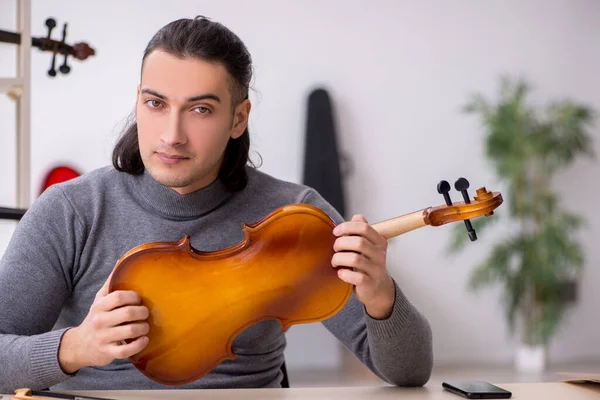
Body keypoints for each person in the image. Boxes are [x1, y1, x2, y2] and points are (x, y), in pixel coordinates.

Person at [0, 16, 433, 392]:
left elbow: (410, 374)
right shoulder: (70, 210)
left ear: (238, 118)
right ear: (138, 101)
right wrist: (74, 347)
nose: (172, 134)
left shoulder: (295, 216)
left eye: (200, 110)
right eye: (156, 103)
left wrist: (381, 296)